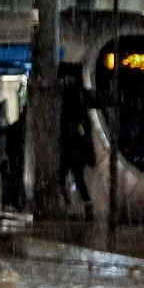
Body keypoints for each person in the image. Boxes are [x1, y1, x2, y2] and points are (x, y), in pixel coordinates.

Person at [59, 62, 96, 220]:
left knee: (69, 177)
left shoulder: (69, 97)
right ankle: (82, 206)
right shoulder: (79, 96)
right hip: (73, 146)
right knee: (75, 178)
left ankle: (75, 206)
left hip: (71, 146)